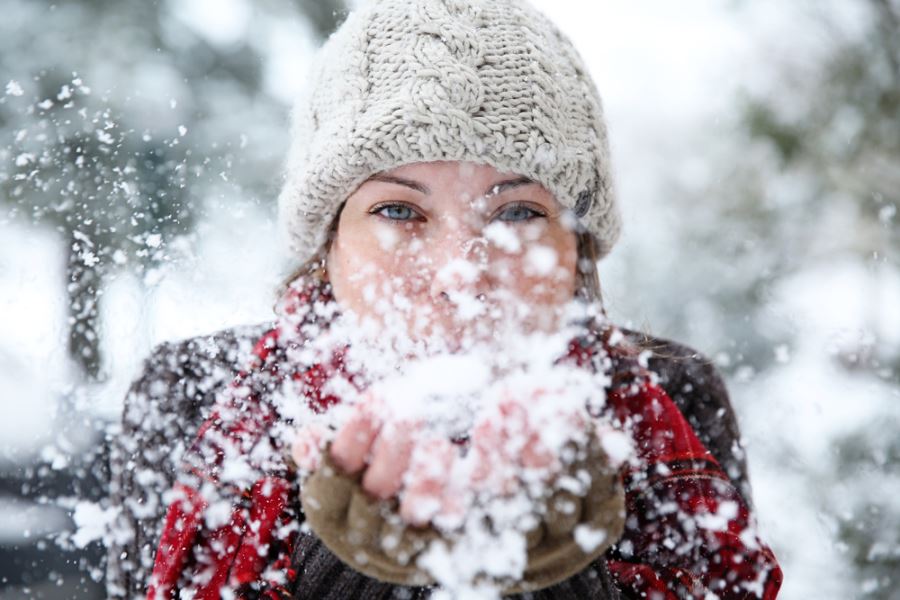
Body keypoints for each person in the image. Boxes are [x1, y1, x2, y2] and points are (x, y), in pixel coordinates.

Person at [104, 0, 784, 598]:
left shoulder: (674, 400)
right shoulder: (191, 395)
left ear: (575, 246)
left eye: (516, 212)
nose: (461, 273)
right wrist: (347, 571)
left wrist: (558, 573)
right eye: (400, 211)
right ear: (329, 240)